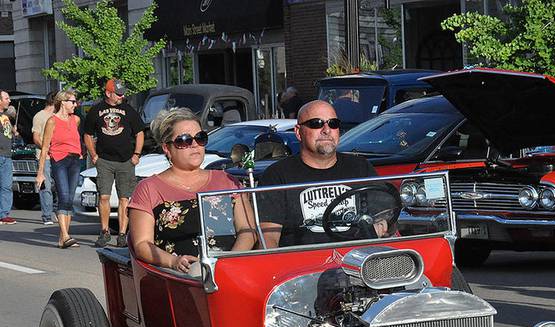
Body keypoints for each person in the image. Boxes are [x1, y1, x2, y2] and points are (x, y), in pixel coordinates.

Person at [128, 108, 256, 273]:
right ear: (167, 148)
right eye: (184, 140)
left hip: (231, 271)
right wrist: (174, 262)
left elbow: (248, 230)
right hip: (177, 277)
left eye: (200, 138)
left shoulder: (227, 180)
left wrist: (227, 263)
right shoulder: (148, 188)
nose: (194, 144)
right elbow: (142, 244)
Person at [257, 100, 381, 248]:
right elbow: (268, 238)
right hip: (305, 266)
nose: (326, 130)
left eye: (333, 123)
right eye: (316, 123)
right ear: (298, 132)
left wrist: (382, 224)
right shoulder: (277, 176)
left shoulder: (360, 167)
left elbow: (386, 212)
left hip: (357, 260)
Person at [83, 78, 145, 248]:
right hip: (104, 161)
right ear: (108, 93)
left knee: (125, 198)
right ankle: (104, 232)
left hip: (125, 161)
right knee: (104, 197)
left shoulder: (128, 110)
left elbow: (139, 132)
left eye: (122, 93)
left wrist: (136, 154)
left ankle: (123, 235)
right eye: (118, 94)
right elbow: (87, 134)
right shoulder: (96, 111)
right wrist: (94, 155)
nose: (121, 96)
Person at [36, 90, 83, 248]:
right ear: (63, 102)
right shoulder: (52, 121)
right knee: (63, 196)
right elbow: (44, 148)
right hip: (59, 160)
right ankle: (66, 235)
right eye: (73, 102)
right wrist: (40, 173)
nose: (75, 105)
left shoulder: (75, 120)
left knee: (69, 199)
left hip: (75, 160)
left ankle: (63, 238)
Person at [32, 91, 58, 225]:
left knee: (60, 186)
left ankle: (60, 213)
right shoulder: (40, 116)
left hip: (59, 156)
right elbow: (36, 137)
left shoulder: (58, 116)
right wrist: (47, 147)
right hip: (45, 157)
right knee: (46, 186)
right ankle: (47, 215)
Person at [0, 90, 16, 225]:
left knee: (6, 186)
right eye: (6, 98)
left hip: (7, 155)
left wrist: (13, 130)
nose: (9, 101)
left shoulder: (5, 117)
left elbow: (7, 133)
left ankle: (4, 214)